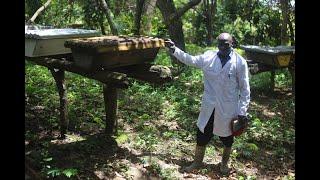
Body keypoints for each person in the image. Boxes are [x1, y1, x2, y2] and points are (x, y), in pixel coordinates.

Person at [164, 33, 250, 174]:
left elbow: (245, 89)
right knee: (202, 133)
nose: (222, 47)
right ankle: (197, 162)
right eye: (220, 43)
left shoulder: (240, 63)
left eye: (226, 44)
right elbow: (190, 60)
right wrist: (174, 50)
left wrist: (242, 111)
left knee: (227, 138)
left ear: (232, 44)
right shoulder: (209, 57)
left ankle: (224, 165)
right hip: (209, 105)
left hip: (228, 108)